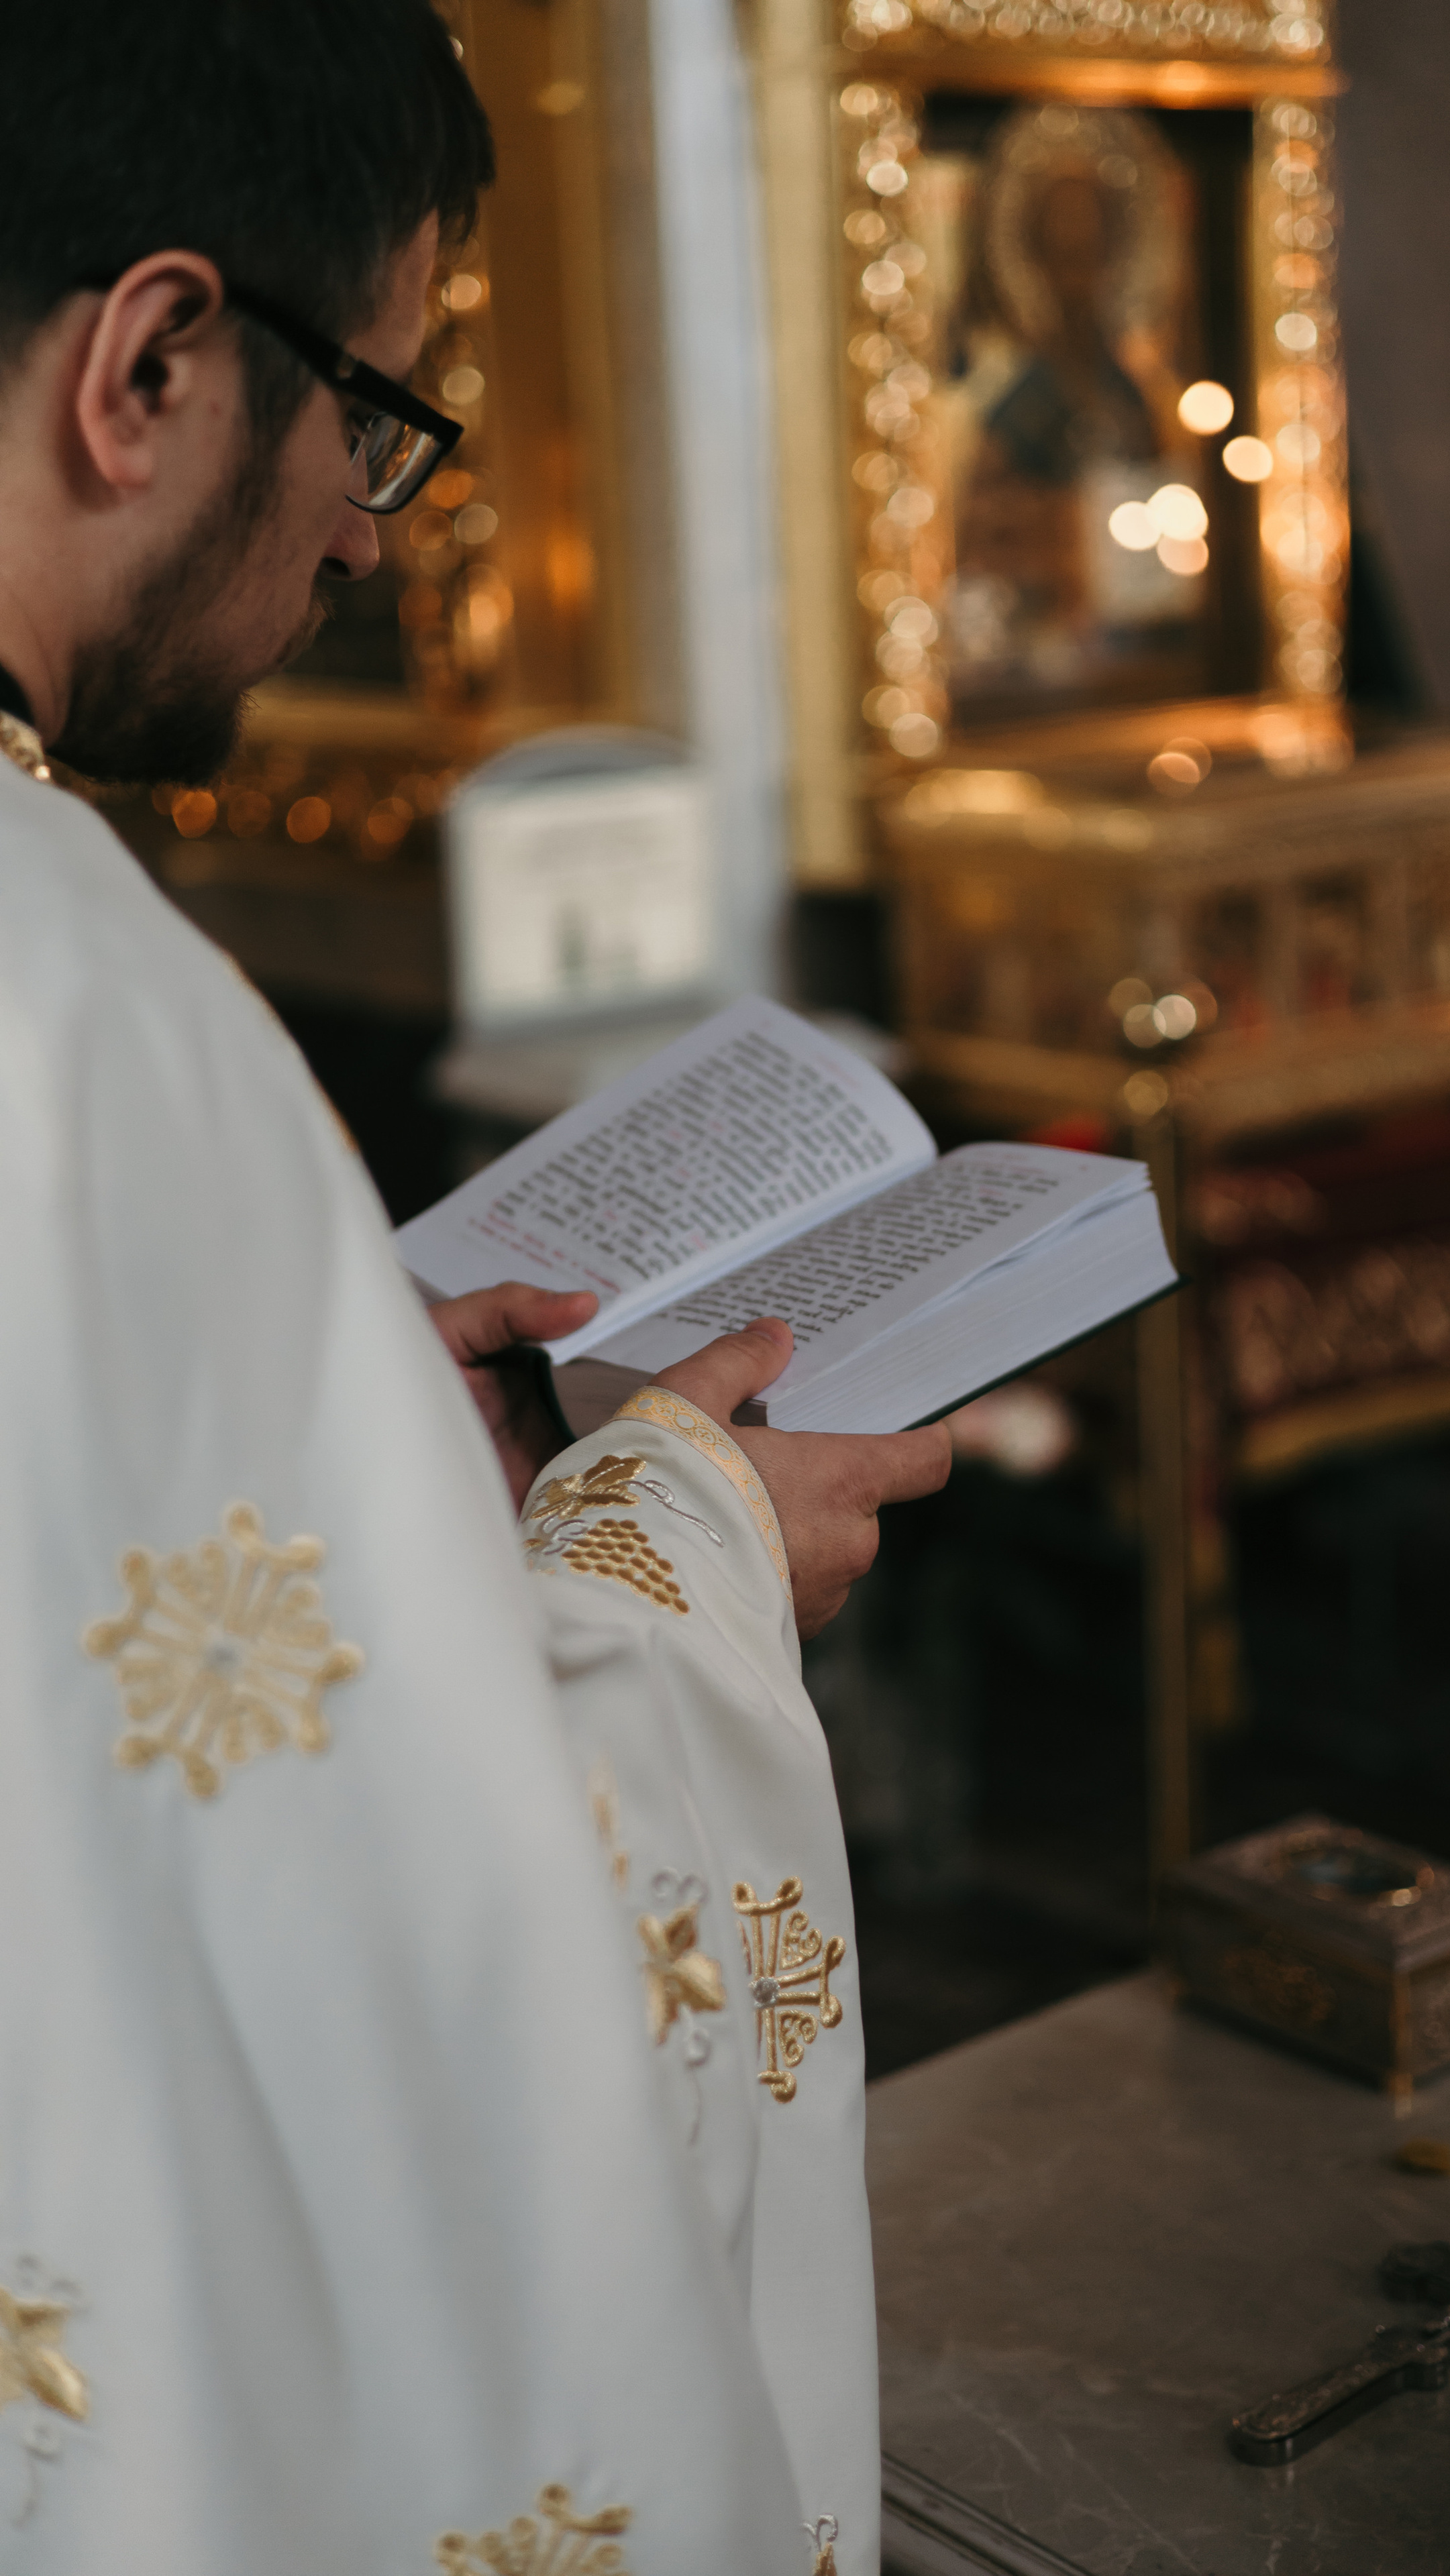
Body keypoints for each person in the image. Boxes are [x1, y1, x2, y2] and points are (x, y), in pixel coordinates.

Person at [0, 9, 949, 2572]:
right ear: (154, 364)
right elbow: (409, 2030)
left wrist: (344, 1478)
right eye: (377, 424)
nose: (377, 537)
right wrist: (678, 1544)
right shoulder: (80, 1018)